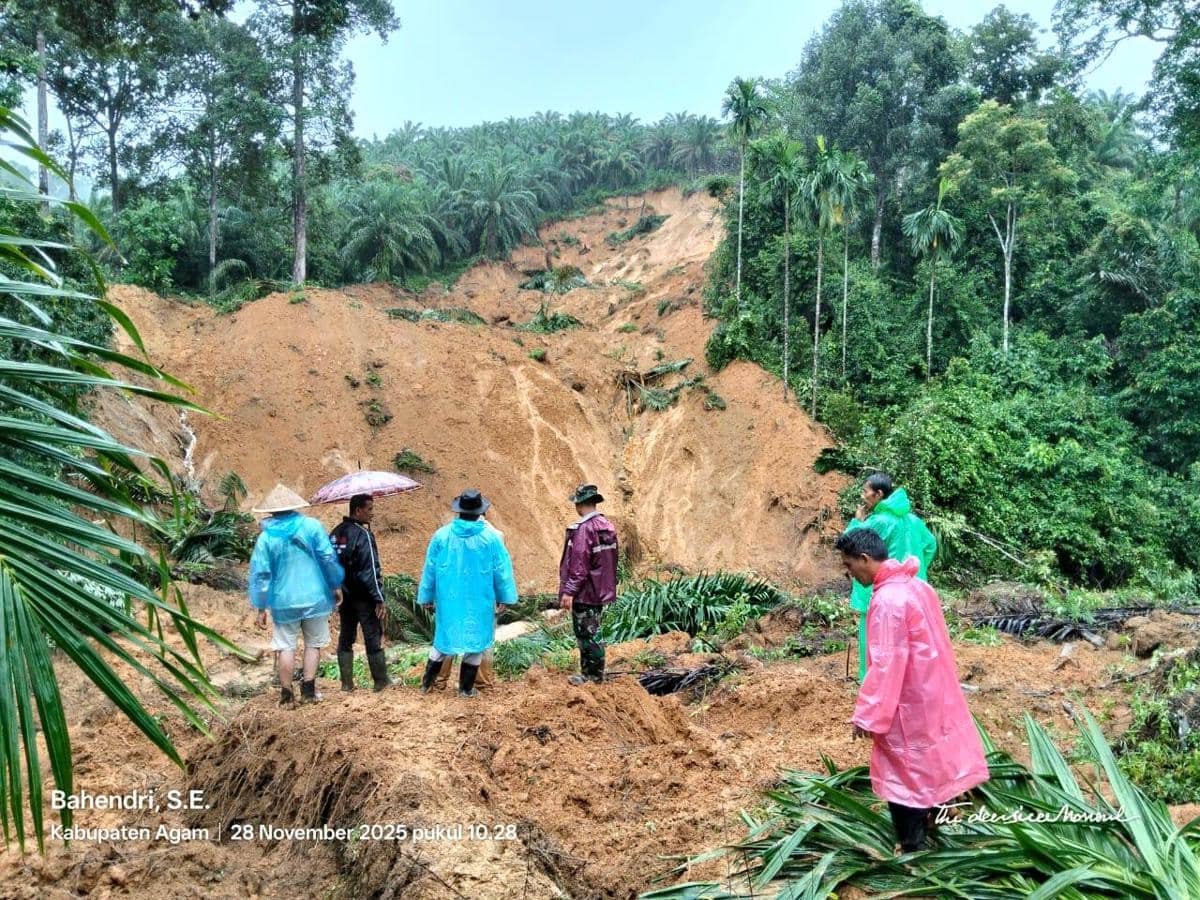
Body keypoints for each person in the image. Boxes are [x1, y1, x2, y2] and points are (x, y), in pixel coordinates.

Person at [837, 528, 988, 854]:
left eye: (849, 566)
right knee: (929, 759)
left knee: (901, 771)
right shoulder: (917, 586)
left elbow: (886, 664)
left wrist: (867, 714)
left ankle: (911, 847)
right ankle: (935, 815)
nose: (850, 574)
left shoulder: (888, 601)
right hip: (933, 692)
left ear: (865, 559)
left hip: (907, 700)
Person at [249, 484, 344, 705]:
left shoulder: (266, 538)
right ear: (295, 505)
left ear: (271, 511)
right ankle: (309, 691)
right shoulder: (312, 527)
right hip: (315, 597)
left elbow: (261, 574)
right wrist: (335, 585)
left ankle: (286, 695)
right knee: (313, 643)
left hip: (283, 601)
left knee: (285, 645)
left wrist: (261, 606)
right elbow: (327, 558)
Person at [417, 489, 518, 697]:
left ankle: (427, 684)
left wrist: (426, 596)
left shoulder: (441, 536)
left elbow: (430, 568)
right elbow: (502, 571)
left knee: (443, 639)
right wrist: (504, 597)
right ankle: (466, 689)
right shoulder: (491, 539)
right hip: (479, 600)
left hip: (448, 599)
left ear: (459, 511)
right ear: (480, 511)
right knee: (476, 642)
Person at [843, 472, 937, 680]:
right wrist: (918, 572)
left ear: (878, 494)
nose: (862, 495)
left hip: (880, 593)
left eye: (865, 491)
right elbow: (931, 545)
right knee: (909, 638)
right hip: (913, 592)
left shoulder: (879, 521)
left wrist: (857, 521)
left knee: (874, 640)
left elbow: (849, 543)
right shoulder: (913, 520)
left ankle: (871, 682)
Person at [432, 514, 504, 692]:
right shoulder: (495, 535)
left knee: (449, 635)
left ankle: (437, 681)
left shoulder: (446, 534)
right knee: (482, 640)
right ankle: (480, 683)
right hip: (482, 597)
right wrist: (501, 596)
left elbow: (437, 567)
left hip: (453, 595)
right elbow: (500, 570)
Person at [558, 483, 619, 686]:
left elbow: (579, 566)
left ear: (580, 504)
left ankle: (591, 677)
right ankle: (595, 674)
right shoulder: (606, 526)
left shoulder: (585, 530)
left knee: (586, 635)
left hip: (586, 593)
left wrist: (569, 591)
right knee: (595, 631)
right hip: (600, 590)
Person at [330, 494, 390, 692]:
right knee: (372, 635)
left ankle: (347, 684)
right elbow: (370, 570)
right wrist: (378, 597)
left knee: (346, 636)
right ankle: (381, 682)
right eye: (369, 509)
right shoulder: (363, 535)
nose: (372, 513)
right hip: (364, 596)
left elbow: (329, 564)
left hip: (343, 595)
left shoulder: (336, 533)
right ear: (358, 511)